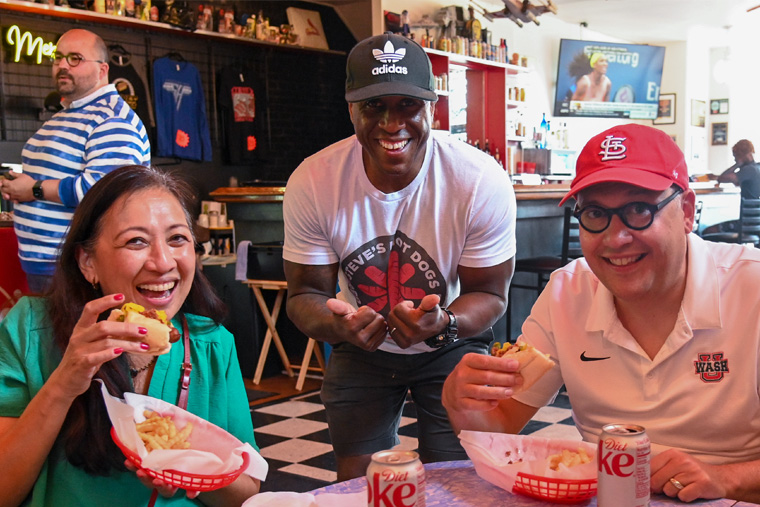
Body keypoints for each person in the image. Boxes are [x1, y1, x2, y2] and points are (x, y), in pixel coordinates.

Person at [442, 123, 760, 503]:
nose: (615, 238)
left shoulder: (751, 289)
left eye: (639, 209)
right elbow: (499, 425)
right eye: (595, 213)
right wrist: (461, 401)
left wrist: (724, 478)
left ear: (687, 211)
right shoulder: (566, 293)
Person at [282, 32, 516, 481]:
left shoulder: (477, 179)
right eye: (374, 106)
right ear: (351, 109)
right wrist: (339, 324)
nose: (392, 123)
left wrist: (444, 322)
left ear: (432, 109)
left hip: (452, 342)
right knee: (359, 482)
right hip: (360, 344)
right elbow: (304, 295)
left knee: (457, 478)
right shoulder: (314, 180)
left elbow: (489, 293)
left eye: (408, 105)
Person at [0, 165, 263, 506]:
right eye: (136, 241)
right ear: (87, 262)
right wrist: (65, 382)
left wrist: (192, 468)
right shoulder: (30, 330)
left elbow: (247, 491)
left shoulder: (212, 343)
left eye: (177, 238)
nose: (163, 262)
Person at [0, 29, 151, 294]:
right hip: (48, 265)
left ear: (103, 69)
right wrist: (18, 188)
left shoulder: (111, 118)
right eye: (58, 58)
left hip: (78, 267)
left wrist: (33, 189)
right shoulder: (67, 114)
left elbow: (103, 191)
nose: (62, 66)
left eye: (75, 58)